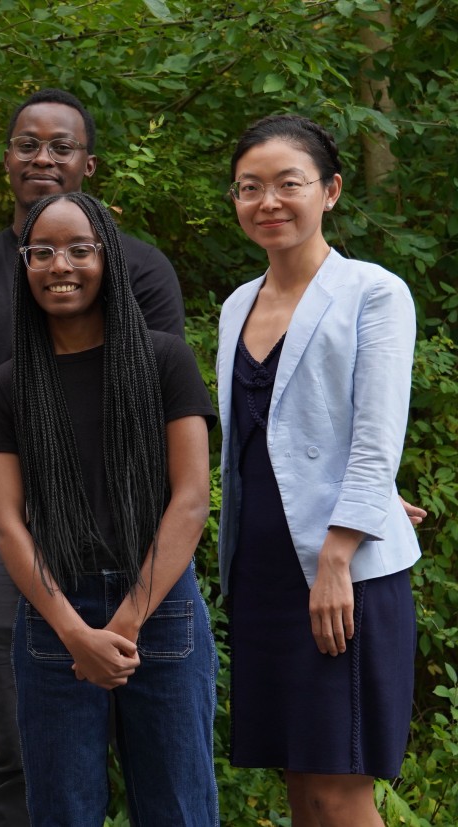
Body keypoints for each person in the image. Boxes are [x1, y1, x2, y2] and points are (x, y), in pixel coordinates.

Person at [0, 87, 185, 826]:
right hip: (19, 545)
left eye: (60, 145)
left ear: (89, 164)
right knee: (21, 754)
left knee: (164, 766)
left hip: (141, 547)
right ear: (5, 159)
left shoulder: (144, 270)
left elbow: (165, 418)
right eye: (27, 143)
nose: (42, 157)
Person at [0, 191, 219, 824]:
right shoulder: (5, 386)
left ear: (108, 256)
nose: (62, 265)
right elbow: (7, 522)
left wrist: (128, 619)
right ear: (24, 266)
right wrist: (75, 632)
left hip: (162, 612)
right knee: (63, 812)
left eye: (80, 249)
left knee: (179, 808)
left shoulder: (164, 360)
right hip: (57, 616)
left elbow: (191, 499)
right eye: (43, 251)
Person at [217, 114, 420, 827]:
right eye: (249, 188)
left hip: (343, 571)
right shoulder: (236, 305)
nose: (267, 201)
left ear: (330, 190)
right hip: (262, 568)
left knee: (341, 785)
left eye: (287, 183)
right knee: (300, 782)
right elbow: (265, 439)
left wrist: (339, 552)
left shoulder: (374, 292)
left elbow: (375, 437)